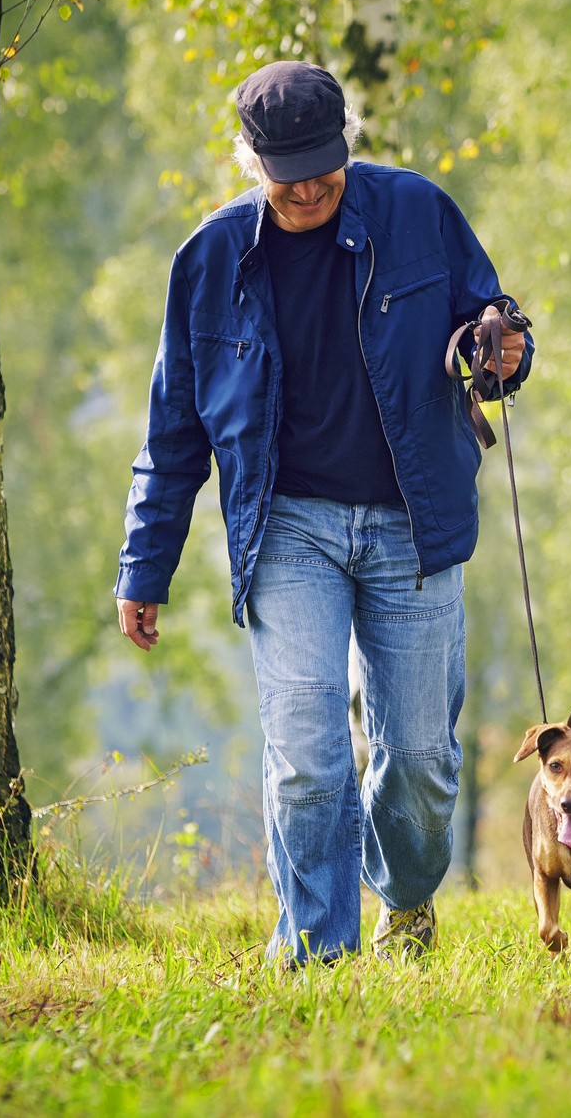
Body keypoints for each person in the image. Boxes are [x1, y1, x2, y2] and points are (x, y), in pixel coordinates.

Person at [114, 61, 533, 966]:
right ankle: (315, 949)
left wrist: (502, 346)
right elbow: (174, 428)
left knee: (419, 759)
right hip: (289, 528)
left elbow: (494, 321)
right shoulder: (211, 259)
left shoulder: (417, 212)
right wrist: (144, 566)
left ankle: (408, 902)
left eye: (324, 167)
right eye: (287, 171)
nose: (308, 188)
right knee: (307, 752)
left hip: (412, 522)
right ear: (249, 160)